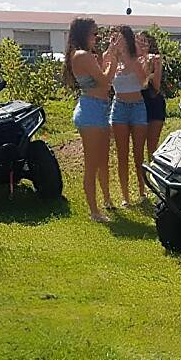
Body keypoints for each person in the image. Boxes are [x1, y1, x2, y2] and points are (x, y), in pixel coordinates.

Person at [64, 17, 118, 222]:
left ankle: (107, 200)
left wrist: (108, 55)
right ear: (84, 34)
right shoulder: (82, 55)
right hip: (91, 112)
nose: (97, 38)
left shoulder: (87, 55)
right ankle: (94, 211)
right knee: (92, 164)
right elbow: (105, 81)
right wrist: (114, 60)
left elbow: (100, 77)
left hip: (99, 109)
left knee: (103, 160)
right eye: (94, 34)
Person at [109, 26, 149, 206]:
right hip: (119, 107)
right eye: (113, 38)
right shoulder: (112, 60)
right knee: (122, 154)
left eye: (118, 38)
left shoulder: (135, 60)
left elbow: (144, 82)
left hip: (137, 107)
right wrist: (112, 53)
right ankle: (125, 196)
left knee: (138, 153)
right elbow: (104, 79)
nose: (116, 41)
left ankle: (142, 191)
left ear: (127, 39)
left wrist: (134, 61)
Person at [138, 32, 167, 199]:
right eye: (138, 41)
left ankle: (156, 182)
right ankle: (142, 185)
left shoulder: (155, 59)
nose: (141, 44)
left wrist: (152, 67)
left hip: (154, 102)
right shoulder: (130, 60)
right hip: (137, 104)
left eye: (144, 41)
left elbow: (155, 86)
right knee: (138, 147)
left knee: (152, 145)